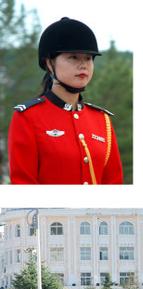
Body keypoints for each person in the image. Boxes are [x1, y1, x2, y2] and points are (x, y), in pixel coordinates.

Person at [8, 17, 123, 184]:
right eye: (73, 57)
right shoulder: (27, 117)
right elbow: (23, 185)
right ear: (49, 63)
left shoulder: (101, 120)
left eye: (89, 58)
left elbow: (114, 184)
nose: (83, 65)